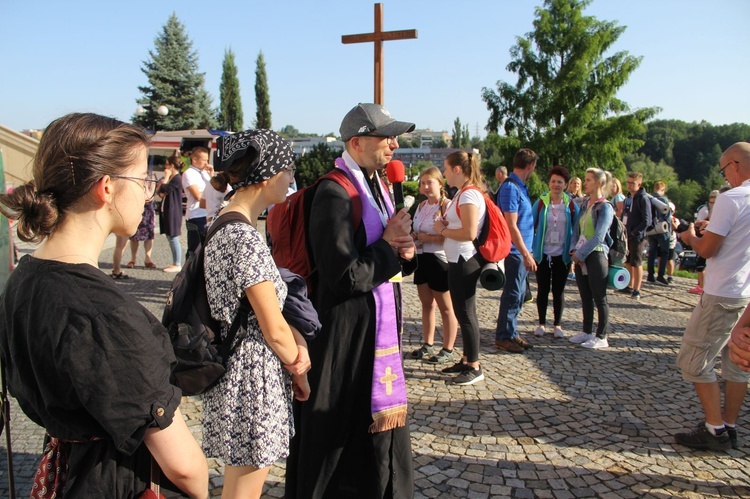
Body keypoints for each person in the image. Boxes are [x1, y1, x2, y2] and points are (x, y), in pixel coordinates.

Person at [0, 113, 208, 497]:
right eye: (143, 179)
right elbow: (186, 468)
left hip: (62, 474)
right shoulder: (105, 314)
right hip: (114, 483)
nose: (149, 193)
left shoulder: (23, 279)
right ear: (107, 188)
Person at [285, 103, 417, 498]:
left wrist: (404, 253)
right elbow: (343, 275)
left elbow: (384, 256)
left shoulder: (375, 183)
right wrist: (390, 247)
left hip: (374, 334)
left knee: (370, 439)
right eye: (386, 136)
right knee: (336, 440)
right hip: (344, 337)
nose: (394, 143)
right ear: (358, 142)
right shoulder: (334, 191)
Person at [201, 129, 311, 498]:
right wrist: (299, 364)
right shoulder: (244, 237)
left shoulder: (223, 219)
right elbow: (273, 328)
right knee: (243, 491)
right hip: (252, 377)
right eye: (288, 169)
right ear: (266, 176)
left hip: (236, 367)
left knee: (237, 485)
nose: (292, 178)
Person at [673, 142, 750, 452]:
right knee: (736, 364)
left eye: (724, 169)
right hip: (744, 293)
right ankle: (729, 425)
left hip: (720, 293)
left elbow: (707, 250)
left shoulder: (732, 200)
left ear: (734, 165)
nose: (725, 176)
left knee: (693, 362)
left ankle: (713, 430)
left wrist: (688, 235)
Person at [433, 151, 487, 385]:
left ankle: (474, 365)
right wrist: (446, 225)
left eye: (446, 168)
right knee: (462, 311)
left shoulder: (468, 195)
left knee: (466, 313)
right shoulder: (463, 194)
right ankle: (467, 359)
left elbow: (469, 232)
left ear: (457, 170)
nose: (444, 173)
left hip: (465, 259)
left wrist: (442, 230)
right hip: (457, 259)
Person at [408, 166, 458, 364]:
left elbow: (452, 236)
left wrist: (427, 237)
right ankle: (428, 344)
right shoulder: (421, 206)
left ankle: (448, 348)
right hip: (422, 258)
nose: (426, 186)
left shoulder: (446, 205)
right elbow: (417, 229)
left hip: (439, 259)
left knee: (446, 307)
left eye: (430, 182)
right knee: (426, 304)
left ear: (440, 183)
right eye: (423, 183)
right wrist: (414, 236)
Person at [494, 148, 538, 354]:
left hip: (521, 250)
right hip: (514, 251)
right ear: (529, 166)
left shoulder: (520, 187)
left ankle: (511, 332)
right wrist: (526, 254)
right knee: (512, 293)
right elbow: (511, 226)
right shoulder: (511, 188)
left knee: (519, 294)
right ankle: (504, 336)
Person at [531, 165, 579, 338]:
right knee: (542, 289)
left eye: (560, 182)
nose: (556, 185)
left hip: (562, 255)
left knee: (558, 291)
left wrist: (573, 254)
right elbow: (531, 225)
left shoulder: (571, 205)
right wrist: (530, 251)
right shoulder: (541, 202)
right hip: (543, 253)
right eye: (553, 181)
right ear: (549, 183)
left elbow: (577, 228)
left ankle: (557, 324)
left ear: (566, 185)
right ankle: (541, 323)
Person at [569, 168, 614, 349]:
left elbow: (599, 236)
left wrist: (580, 254)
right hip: (580, 255)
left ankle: (601, 335)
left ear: (598, 183)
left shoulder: (605, 208)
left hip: (596, 255)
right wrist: (574, 250)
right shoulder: (585, 204)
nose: (585, 183)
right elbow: (576, 230)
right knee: (585, 295)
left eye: (588, 180)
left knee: (599, 296)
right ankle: (586, 330)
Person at [620, 171, 652, 300]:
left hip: (637, 236)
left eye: (632, 183)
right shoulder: (628, 198)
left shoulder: (643, 199)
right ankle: (629, 285)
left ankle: (637, 289)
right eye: (628, 182)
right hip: (626, 234)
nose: (629, 185)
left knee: (637, 262)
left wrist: (635, 232)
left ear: (639, 184)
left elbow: (647, 220)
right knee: (628, 260)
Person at [182, 146, 213, 259]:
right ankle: (187, 274)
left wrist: (211, 176)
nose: (207, 163)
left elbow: (216, 190)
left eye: (207, 160)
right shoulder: (189, 174)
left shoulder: (205, 174)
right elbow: (198, 196)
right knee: (194, 249)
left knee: (206, 250)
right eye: (204, 160)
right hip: (195, 215)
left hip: (207, 214)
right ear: (194, 159)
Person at [689, 190, 719, 294]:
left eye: (714, 202)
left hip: (712, 239)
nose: (712, 204)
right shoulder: (707, 210)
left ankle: (703, 287)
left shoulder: (721, 210)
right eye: (711, 202)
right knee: (700, 264)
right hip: (704, 237)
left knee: (703, 264)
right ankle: (702, 286)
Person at [158, 154, 184, 273]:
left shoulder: (177, 178)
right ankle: (175, 262)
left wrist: (166, 178)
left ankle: (177, 263)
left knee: (173, 237)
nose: (165, 166)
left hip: (173, 212)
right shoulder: (173, 179)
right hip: (167, 210)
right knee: (170, 237)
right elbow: (160, 191)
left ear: (172, 166)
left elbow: (165, 189)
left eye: (167, 164)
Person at [646, 181, 672, 286]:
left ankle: (650, 274)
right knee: (664, 252)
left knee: (652, 252)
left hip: (651, 229)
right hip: (662, 229)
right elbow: (667, 215)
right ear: (663, 189)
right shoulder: (664, 200)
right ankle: (661, 275)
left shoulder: (649, 199)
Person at [126, 200, 157, 269]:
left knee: (149, 235)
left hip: (148, 208)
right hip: (136, 206)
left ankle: (147, 259)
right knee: (134, 235)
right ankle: (133, 259)